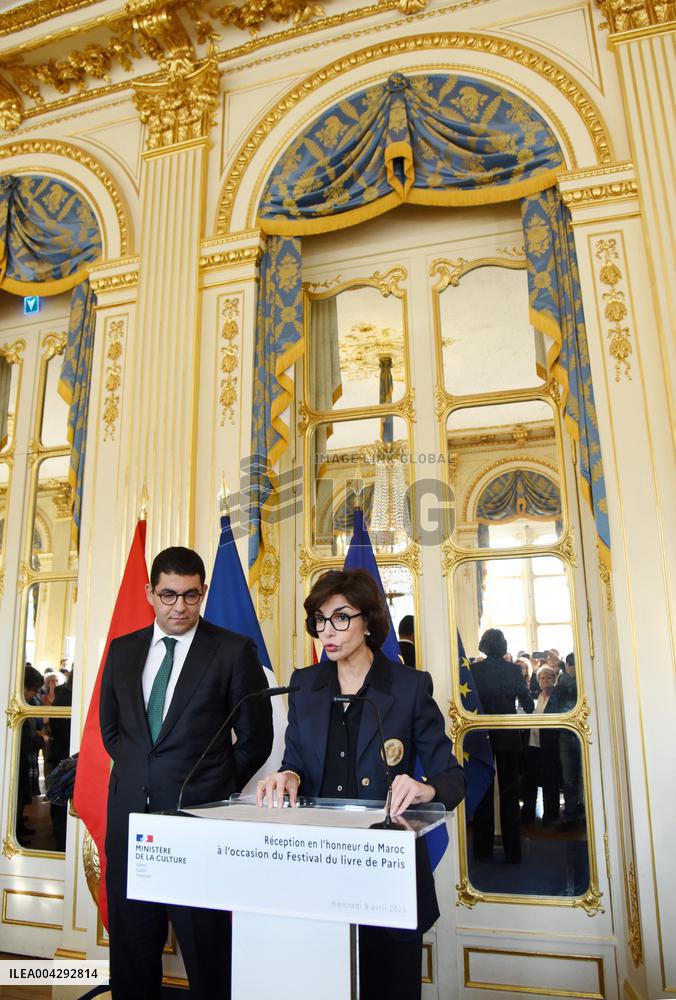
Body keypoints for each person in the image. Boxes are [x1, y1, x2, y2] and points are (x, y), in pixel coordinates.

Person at [257, 568, 465, 1000]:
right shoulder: (305, 684)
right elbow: (294, 759)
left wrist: (425, 789)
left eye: (340, 617)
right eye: (318, 619)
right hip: (315, 867)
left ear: (368, 621)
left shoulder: (408, 687)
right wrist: (288, 774)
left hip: (384, 874)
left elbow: (452, 776)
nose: (325, 630)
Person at [100, 546, 273, 1000]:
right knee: (132, 955)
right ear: (150, 593)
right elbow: (113, 732)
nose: (180, 607)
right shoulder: (122, 650)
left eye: (191, 596)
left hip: (198, 827)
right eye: (169, 595)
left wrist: (211, 787)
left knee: (207, 955)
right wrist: (145, 777)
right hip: (131, 825)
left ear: (204, 592)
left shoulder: (233, 651)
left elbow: (256, 737)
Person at [471, 629, 534, 863]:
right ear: (503, 645)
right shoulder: (513, 670)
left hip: (481, 738)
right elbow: (528, 705)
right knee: (509, 795)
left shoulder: (474, 671)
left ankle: (482, 849)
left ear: (483, 645)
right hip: (508, 738)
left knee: (483, 794)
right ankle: (513, 852)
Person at [521, 664, 560, 826]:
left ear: (554, 679)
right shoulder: (534, 697)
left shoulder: (557, 698)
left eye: (549, 677)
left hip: (549, 745)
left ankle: (551, 815)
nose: (545, 680)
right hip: (532, 744)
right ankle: (528, 814)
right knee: (530, 779)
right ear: (538, 680)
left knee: (550, 780)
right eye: (542, 678)